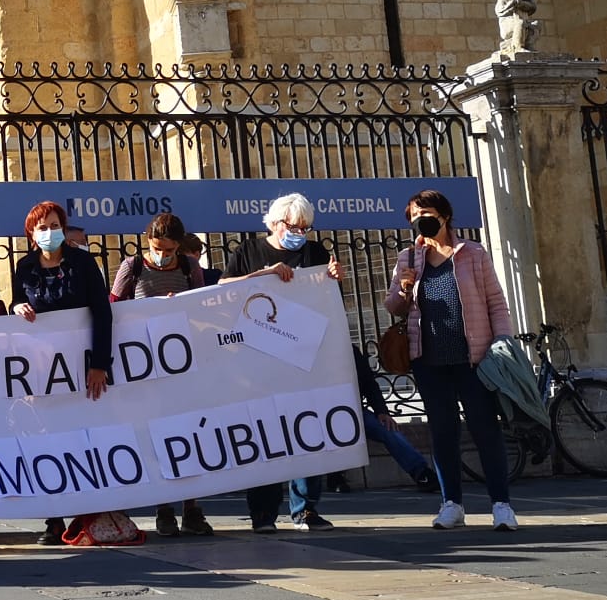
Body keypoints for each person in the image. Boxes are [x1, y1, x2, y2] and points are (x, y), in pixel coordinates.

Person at [383, 188, 517, 532]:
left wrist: (502, 344)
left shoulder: (472, 253)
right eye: (414, 218)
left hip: (473, 358)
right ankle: (451, 504)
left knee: (485, 429)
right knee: (443, 433)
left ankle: (501, 505)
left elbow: (496, 303)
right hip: (428, 361)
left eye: (425, 215)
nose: (420, 222)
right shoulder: (408, 258)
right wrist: (404, 288)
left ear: (443, 216)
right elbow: (394, 307)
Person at [221, 193, 345, 532]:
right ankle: (263, 513)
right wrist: (261, 275)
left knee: (307, 429)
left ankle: (305, 508)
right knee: (264, 434)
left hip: (304, 354)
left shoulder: (315, 252)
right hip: (257, 358)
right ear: (276, 223)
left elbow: (327, 299)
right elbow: (221, 288)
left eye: (306, 227)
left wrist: (333, 278)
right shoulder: (248, 251)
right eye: (294, 226)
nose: (300, 233)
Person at [11, 201, 113, 545]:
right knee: (47, 441)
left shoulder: (83, 263)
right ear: (31, 234)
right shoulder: (24, 267)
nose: (49, 232)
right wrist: (16, 306)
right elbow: (18, 308)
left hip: (83, 369)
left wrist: (99, 364)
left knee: (85, 438)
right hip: (43, 372)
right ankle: (54, 519)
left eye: (54, 225)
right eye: (42, 227)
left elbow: (103, 312)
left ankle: (88, 512)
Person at [111, 213, 213, 538]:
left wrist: (178, 307)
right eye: (157, 248)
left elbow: (200, 307)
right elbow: (111, 307)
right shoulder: (133, 267)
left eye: (169, 250)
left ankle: (192, 508)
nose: (162, 254)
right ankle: (164, 507)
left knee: (188, 435)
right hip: (146, 369)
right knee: (158, 437)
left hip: (182, 367)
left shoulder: (188, 268)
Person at [352, 345, 437, 490]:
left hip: (354, 412)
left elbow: (369, 384)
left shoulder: (349, 349)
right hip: (322, 414)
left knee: (388, 429)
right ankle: (335, 476)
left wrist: (382, 411)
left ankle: (421, 473)